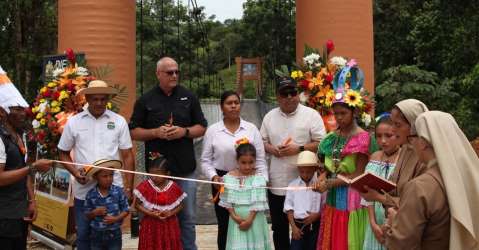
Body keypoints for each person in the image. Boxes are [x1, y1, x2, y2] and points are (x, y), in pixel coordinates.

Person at [129, 57, 207, 250]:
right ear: (158, 74)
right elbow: (133, 131)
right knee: (155, 216)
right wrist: (155, 132)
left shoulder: (189, 97)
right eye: (169, 72)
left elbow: (202, 127)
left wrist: (184, 132)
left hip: (184, 169)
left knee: (187, 217)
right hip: (157, 173)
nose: (174, 75)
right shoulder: (145, 100)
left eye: (176, 72)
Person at [58, 80, 135, 250]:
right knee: (84, 235)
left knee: (112, 234)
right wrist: (75, 173)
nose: (99, 103)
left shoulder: (119, 121)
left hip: (113, 189)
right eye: (95, 99)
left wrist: (128, 187)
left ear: (108, 98)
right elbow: (63, 153)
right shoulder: (74, 122)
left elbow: (128, 155)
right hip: (84, 190)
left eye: (102, 99)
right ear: (87, 98)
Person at [384, 111, 479, 250]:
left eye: (413, 138)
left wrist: (394, 223)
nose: (412, 143)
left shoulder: (419, 186)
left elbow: (401, 244)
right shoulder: (468, 178)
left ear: (422, 142)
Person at [314, 64, 378, 250]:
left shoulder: (364, 139)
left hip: (353, 199)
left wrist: (332, 182)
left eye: (343, 113)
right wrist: (322, 178)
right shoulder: (331, 138)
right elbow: (325, 168)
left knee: (349, 240)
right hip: (333, 199)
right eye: (336, 114)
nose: (339, 118)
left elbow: (359, 174)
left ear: (354, 112)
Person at [260, 77, 326, 249]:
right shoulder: (269, 117)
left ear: (298, 94)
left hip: (306, 182)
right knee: (279, 228)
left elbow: (323, 143)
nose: (289, 97)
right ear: (277, 96)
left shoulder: (311, 115)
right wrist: (273, 150)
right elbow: (261, 142)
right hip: (278, 182)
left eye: (292, 92)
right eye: (284, 93)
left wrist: (300, 148)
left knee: (308, 228)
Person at [200, 90, 267, 250]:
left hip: (250, 182)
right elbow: (205, 160)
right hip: (223, 182)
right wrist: (214, 177)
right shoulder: (213, 131)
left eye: (236, 103)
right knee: (225, 225)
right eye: (229, 103)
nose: (233, 106)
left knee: (252, 223)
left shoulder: (251, 129)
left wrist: (262, 181)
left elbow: (260, 160)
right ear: (221, 107)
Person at [0, 66, 53, 250]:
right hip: (4, 215)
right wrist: (32, 168)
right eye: (17, 109)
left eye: (23, 109)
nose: (23, 113)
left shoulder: (19, 134)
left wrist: (31, 201)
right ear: (2, 112)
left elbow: (22, 174)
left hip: (19, 211)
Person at [360, 99, 429, 209]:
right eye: (392, 123)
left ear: (414, 126)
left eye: (397, 124)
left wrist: (378, 197)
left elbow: (417, 205)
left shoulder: (425, 156)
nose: (393, 129)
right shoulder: (406, 149)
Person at [219, 142, 271, 250]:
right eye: (243, 162)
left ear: (255, 161)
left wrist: (249, 220)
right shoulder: (228, 178)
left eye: (251, 162)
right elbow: (226, 200)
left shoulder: (258, 178)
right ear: (237, 161)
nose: (247, 166)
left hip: (254, 220)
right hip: (236, 221)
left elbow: (258, 202)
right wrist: (234, 216)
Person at [362, 114, 400, 250]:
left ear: (398, 135)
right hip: (374, 224)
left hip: (395, 224)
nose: (383, 141)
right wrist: (372, 223)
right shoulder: (374, 157)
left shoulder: (404, 160)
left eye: (388, 135)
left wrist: (387, 224)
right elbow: (368, 192)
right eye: (378, 136)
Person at [134, 153, 186, 250]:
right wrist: (150, 213)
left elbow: (181, 205)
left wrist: (170, 213)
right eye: (152, 173)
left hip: (169, 225)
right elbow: (136, 205)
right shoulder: (145, 186)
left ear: (167, 174)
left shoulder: (173, 187)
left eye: (158, 173)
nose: (154, 177)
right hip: (150, 225)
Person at [84, 159, 129, 250]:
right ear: (96, 177)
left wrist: (116, 218)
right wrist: (95, 213)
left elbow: (126, 209)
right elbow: (87, 215)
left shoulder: (118, 192)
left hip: (114, 233)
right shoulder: (91, 194)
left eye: (111, 175)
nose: (109, 179)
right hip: (96, 234)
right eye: (104, 176)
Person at [284, 151, 323, 250]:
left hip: (315, 225)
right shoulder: (292, 185)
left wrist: (317, 215)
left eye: (308, 172)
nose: (305, 175)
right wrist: (293, 227)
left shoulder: (320, 186)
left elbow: (325, 205)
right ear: (298, 169)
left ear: (315, 169)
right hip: (297, 226)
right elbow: (288, 208)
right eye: (302, 171)